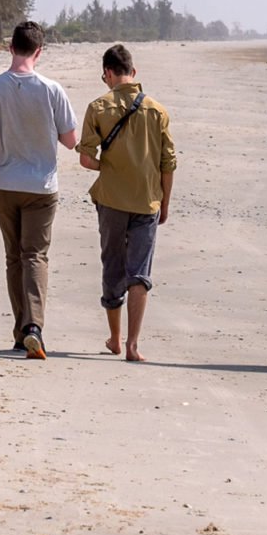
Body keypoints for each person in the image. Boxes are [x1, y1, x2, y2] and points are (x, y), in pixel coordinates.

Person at [0, 21, 78, 359]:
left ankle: (20, 330)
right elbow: (71, 141)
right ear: (39, 52)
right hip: (41, 186)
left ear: (11, 47)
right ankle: (34, 327)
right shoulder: (53, 90)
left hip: (3, 184)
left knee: (14, 257)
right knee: (35, 255)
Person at [77, 43, 177, 362]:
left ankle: (115, 337)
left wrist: (108, 166)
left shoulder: (97, 107)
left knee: (112, 265)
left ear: (107, 73)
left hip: (110, 200)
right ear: (132, 72)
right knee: (139, 273)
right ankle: (133, 344)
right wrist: (165, 202)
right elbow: (168, 162)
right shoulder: (157, 110)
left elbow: (85, 159)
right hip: (147, 201)